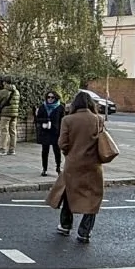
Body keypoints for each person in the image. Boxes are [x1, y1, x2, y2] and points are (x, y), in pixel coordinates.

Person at [46, 90, 105, 243]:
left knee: (68, 193)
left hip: (73, 163)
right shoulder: (98, 119)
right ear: (91, 103)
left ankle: (65, 225)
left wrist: (69, 154)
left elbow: (62, 144)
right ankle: (84, 232)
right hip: (93, 164)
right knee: (93, 197)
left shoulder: (68, 120)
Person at [34, 89, 65, 177]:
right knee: (45, 151)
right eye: (48, 97)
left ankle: (58, 167)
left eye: (52, 97)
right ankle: (44, 169)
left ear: (56, 98)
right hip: (45, 132)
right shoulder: (43, 107)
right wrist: (45, 120)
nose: (50, 99)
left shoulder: (60, 107)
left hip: (55, 132)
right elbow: (37, 119)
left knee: (57, 151)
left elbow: (63, 121)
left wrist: (62, 132)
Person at [0, 79, 20, 155]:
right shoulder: (17, 92)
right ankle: (12, 150)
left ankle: (2, 149)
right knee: (13, 132)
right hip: (14, 114)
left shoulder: (4, 91)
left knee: (4, 131)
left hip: (5, 114)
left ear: (5, 82)